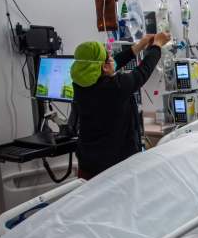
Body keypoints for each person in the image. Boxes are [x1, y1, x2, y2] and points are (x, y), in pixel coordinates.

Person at [70, 32, 170, 179]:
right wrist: (157, 45)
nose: (112, 58)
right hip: (114, 168)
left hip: (88, 164)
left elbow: (114, 62)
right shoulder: (115, 87)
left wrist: (140, 45)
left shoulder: (81, 85)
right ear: (104, 67)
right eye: (108, 56)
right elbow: (143, 71)